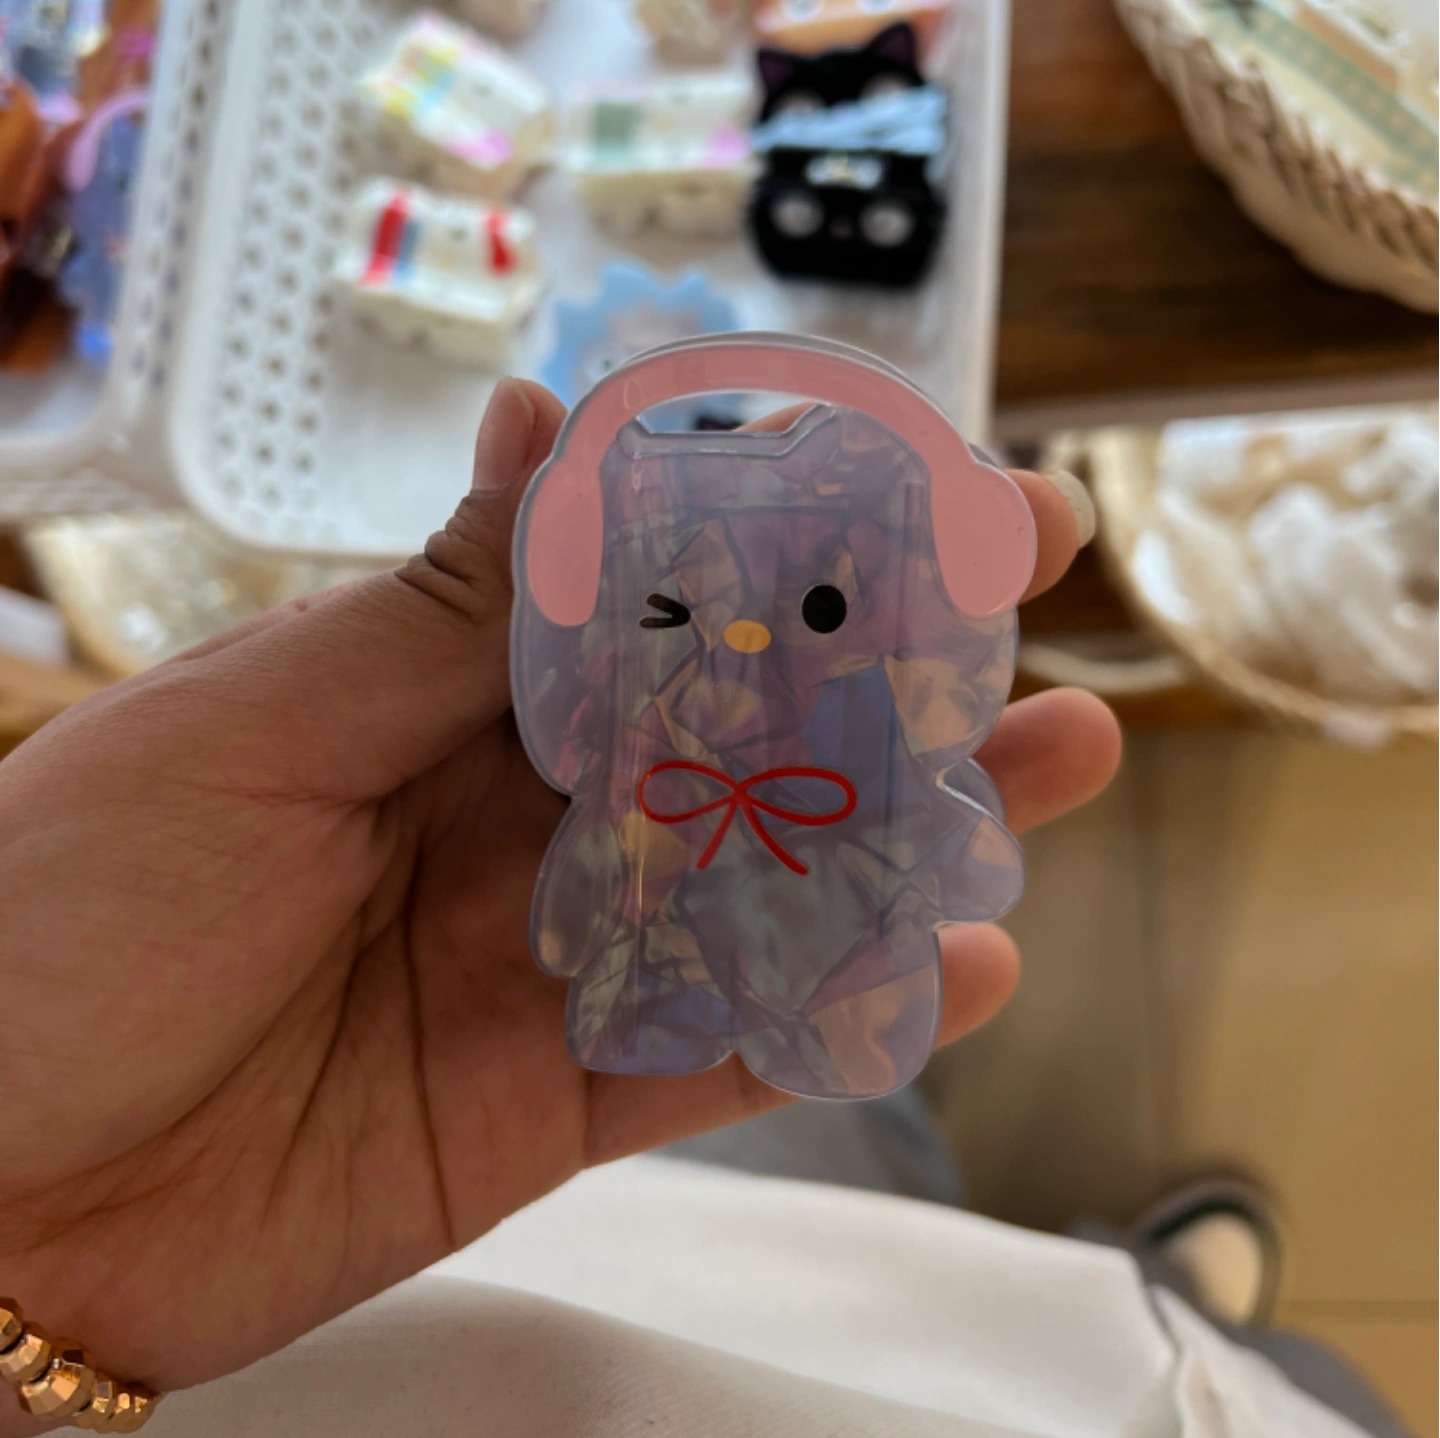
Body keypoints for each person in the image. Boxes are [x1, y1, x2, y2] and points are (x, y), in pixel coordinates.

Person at [0, 383, 1396, 1438]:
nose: (746, 637)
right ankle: (1151, 1306)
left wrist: (47, 1246)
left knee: (858, 1129)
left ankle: (1122, 1295)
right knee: (948, 1240)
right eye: (674, 614)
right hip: (620, 1077)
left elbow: (944, 836)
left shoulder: (868, 736)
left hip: (768, 1021)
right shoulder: (637, 754)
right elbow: (593, 867)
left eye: (823, 608)